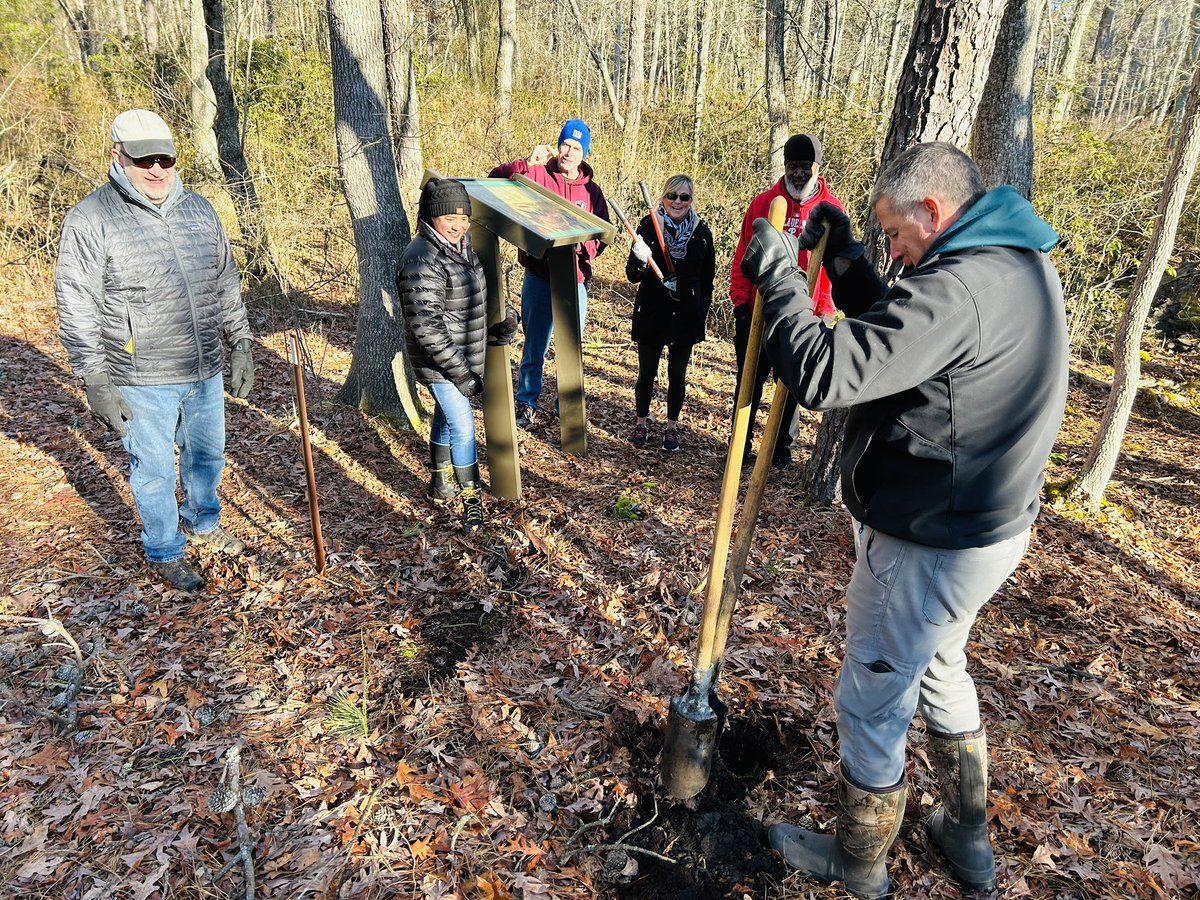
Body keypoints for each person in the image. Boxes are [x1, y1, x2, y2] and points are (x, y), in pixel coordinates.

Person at [738, 142, 1067, 899]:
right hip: (988, 531)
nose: (894, 250)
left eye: (894, 234)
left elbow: (826, 373)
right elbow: (906, 336)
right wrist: (849, 261)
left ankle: (860, 863)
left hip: (930, 541)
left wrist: (782, 277)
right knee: (941, 666)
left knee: (873, 694)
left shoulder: (963, 288)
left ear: (933, 211)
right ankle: (966, 836)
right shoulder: (1017, 264)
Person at [55, 109, 254, 592]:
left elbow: (223, 281)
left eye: (164, 158)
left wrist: (241, 341)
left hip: (203, 364)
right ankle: (165, 548)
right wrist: (96, 379)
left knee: (206, 455)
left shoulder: (199, 210)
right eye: (144, 160)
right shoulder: (91, 218)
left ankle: (203, 521)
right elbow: (76, 302)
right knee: (154, 469)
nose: (157, 170)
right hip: (140, 375)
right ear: (117, 157)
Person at [397, 178, 518, 534]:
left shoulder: (461, 248)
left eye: (464, 218)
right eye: (450, 217)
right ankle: (472, 503)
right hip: (439, 362)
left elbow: (471, 302)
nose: (459, 224)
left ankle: (438, 481)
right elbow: (427, 327)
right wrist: (463, 373)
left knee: (448, 418)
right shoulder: (421, 258)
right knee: (464, 427)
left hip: (461, 355)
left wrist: (499, 324)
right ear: (433, 217)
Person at [728, 133, 845, 468]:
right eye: (792, 166)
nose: (798, 173)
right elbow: (743, 255)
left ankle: (780, 449)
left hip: (804, 314)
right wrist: (740, 303)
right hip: (759, 312)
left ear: (817, 168)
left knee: (791, 384)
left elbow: (834, 267)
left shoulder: (831, 210)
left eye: (804, 166)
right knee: (748, 382)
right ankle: (739, 445)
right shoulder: (763, 203)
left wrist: (825, 309)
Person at [488, 119, 610, 429]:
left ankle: (566, 407)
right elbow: (495, 180)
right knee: (535, 345)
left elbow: (601, 236)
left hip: (576, 280)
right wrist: (527, 163)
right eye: (566, 144)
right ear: (558, 144)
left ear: (585, 153)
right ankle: (526, 402)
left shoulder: (592, 192)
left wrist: (584, 250)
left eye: (577, 148)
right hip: (540, 277)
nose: (569, 152)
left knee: (571, 346)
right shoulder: (539, 174)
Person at [625, 174, 715, 452]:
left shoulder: (701, 233)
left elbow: (707, 280)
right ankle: (641, 422)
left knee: (677, 375)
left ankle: (672, 428)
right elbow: (632, 275)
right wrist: (639, 256)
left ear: (691, 200)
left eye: (684, 197)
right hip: (652, 311)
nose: (677, 202)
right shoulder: (648, 227)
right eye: (672, 196)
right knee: (647, 372)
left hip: (684, 316)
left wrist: (700, 313)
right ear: (663, 197)